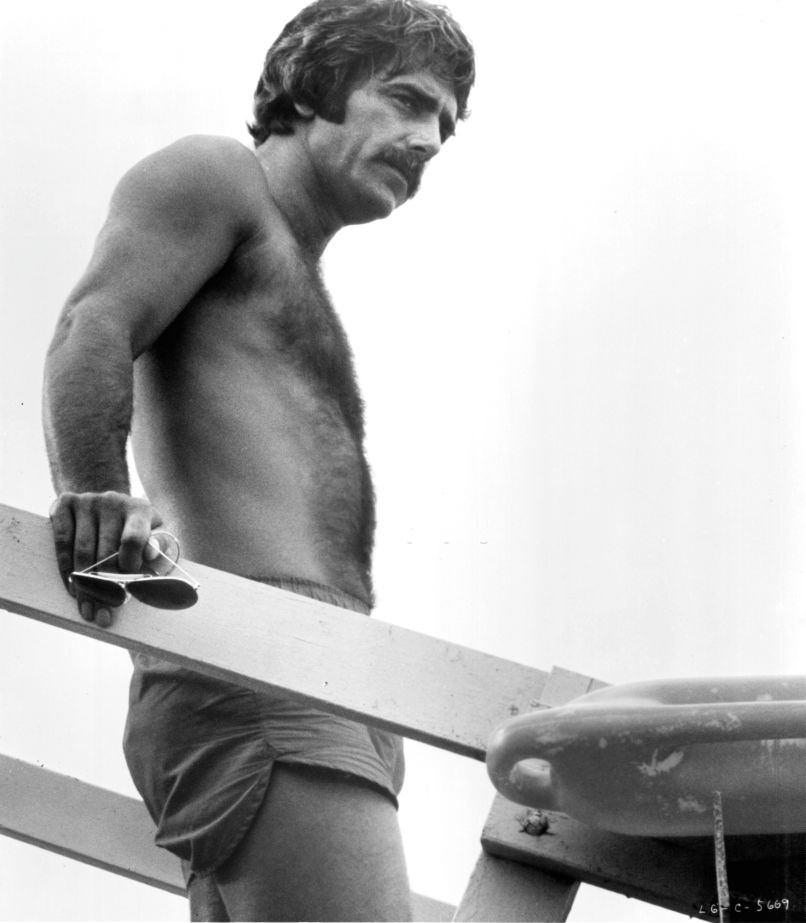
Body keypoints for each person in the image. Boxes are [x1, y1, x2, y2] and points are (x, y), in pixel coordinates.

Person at [42, 0, 474, 919]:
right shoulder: (219, 178)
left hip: (309, 675)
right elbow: (95, 323)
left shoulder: (295, 266)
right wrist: (94, 495)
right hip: (263, 663)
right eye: (405, 99)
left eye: (444, 122)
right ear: (312, 89)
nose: (429, 137)